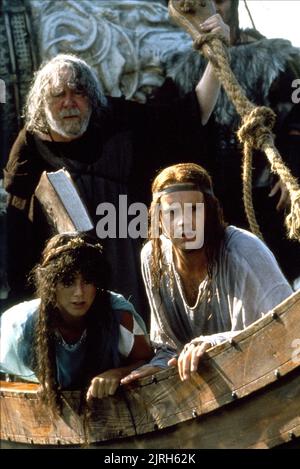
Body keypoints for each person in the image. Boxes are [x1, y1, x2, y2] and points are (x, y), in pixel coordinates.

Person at [3, 13, 229, 316]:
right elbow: (18, 236)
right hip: (68, 298)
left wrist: (217, 55)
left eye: (78, 92)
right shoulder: (30, 149)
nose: (69, 102)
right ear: (41, 107)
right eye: (58, 95)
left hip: (129, 276)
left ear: (93, 99)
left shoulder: (120, 121)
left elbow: (190, 116)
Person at [121, 163, 293, 384]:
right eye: (172, 212)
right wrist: (157, 367)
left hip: (262, 378)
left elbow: (287, 326)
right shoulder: (153, 258)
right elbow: (168, 346)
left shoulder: (244, 250)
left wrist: (214, 343)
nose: (184, 222)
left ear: (210, 212)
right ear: (159, 220)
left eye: (194, 209)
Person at [0, 232, 153, 415]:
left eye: (87, 281)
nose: (79, 293)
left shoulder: (118, 316)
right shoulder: (22, 327)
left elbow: (147, 360)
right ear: (51, 285)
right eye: (68, 282)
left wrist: (119, 373)